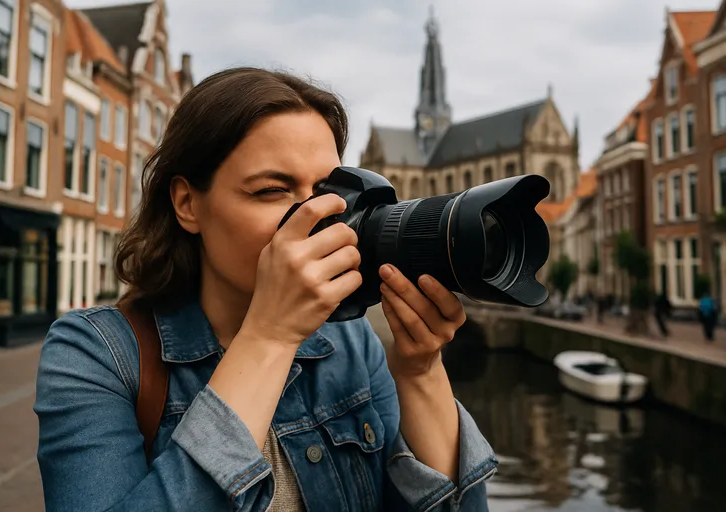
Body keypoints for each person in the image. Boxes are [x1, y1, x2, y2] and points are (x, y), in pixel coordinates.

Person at [34, 67, 497, 511]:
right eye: (272, 190)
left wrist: (419, 373)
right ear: (187, 203)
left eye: (327, 191)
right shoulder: (96, 354)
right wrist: (271, 335)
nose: (316, 217)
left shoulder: (351, 342)